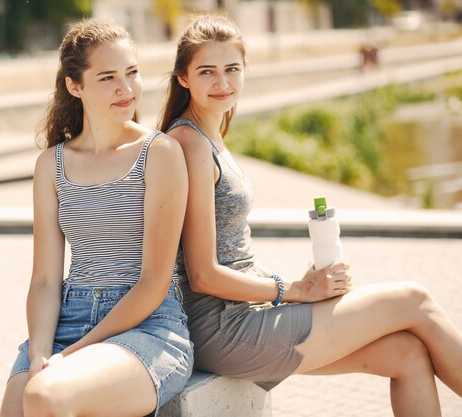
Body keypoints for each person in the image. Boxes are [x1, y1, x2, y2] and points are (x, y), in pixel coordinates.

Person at [158, 14, 462, 416]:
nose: (222, 83)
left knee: (406, 353)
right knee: (414, 300)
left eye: (232, 69)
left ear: (245, 70)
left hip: (249, 314)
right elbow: (203, 274)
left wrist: (298, 282)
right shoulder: (188, 143)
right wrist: (295, 291)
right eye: (207, 72)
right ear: (183, 78)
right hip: (224, 328)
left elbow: (234, 253)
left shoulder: (211, 135)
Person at [0, 18, 193, 417]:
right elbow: (44, 280)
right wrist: (39, 354)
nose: (126, 89)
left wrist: (69, 355)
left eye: (132, 73)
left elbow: (154, 282)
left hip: (147, 327)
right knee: (21, 402)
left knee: (45, 396)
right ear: (75, 85)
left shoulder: (160, 153)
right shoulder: (51, 165)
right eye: (107, 78)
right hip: (67, 317)